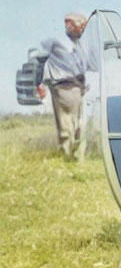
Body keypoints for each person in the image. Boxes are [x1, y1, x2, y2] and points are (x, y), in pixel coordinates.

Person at [36, 13, 90, 161]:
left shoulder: (79, 46)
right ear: (69, 25)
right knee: (67, 126)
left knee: (78, 125)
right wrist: (38, 83)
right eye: (80, 25)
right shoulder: (55, 41)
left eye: (84, 26)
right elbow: (40, 59)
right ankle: (67, 158)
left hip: (77, 88)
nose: (82, 29)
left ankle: (76, 158)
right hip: (63, 87)